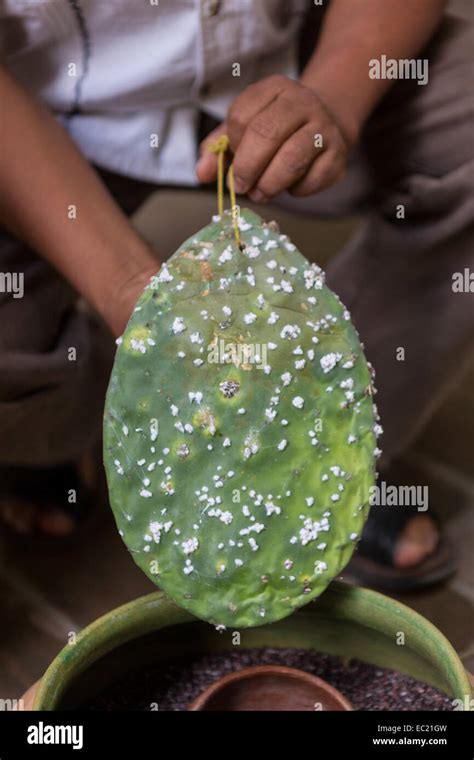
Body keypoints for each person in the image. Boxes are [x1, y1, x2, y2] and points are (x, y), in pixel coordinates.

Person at [0, 1, 471, 590]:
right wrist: (133, 293)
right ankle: (63, 412)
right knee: (13, 353)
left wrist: (337, 99)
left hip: (275, 68)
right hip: (35, 119)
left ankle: (323, 456)